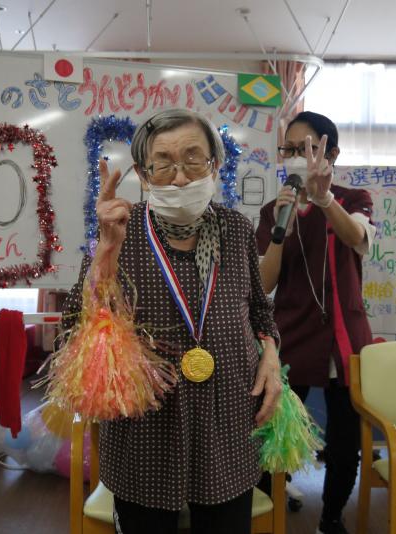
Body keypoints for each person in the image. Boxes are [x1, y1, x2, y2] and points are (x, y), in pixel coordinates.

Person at [60, 108, 282, 534]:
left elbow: (260, 312)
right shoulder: (121, 231)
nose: (180, 178)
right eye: (163, 163)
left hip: (227, 427)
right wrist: (106, 252)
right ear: (144, 175)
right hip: (146, 431)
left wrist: (270, 352)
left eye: (193, 159)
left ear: (214, 166)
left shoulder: (235, 229)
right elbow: (74, 329)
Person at [256, 111, 375, 534]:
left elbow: (357, 239)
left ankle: (331, 516)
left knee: (345, 442)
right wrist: (280, 234)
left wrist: (324, 201)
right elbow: (265, 283)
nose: (292, 156)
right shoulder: (275, 209)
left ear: (331, 152)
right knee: (272, 429)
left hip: (344, 340)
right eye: (288, 148)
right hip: (290, 335)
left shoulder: (354, 198)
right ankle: (268, 505)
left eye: (304, 148)